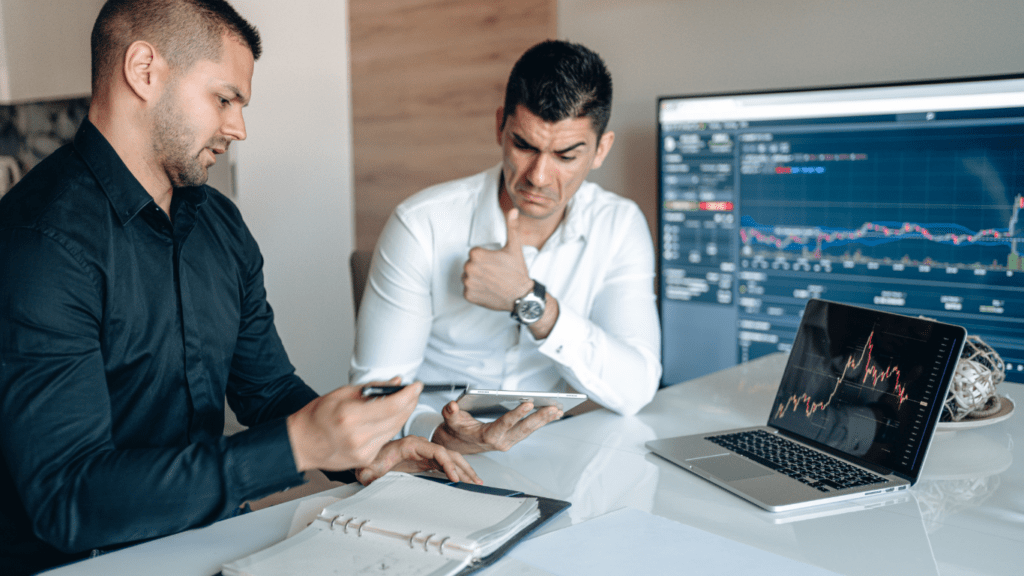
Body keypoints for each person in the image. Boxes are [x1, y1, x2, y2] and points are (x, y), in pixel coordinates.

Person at [0, 1, 475, 574]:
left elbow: (267, 390)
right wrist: (298, 446)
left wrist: (366, 455)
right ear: (143, 71)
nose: (238, 128)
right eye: (224, 99)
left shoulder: (220, 227)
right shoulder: (40, 242)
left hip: (213, 541)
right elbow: (68, 500)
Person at [351, 40, 662, 454]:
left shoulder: (619, 226)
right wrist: (438, 433)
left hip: (551, 455)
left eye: (566, 155)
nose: (538, 177)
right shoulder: (422, 224)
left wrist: (531, 302)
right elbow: (373, 393)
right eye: (524, 146)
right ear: (501, 126)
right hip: (432, 453)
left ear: (601, 149)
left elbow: (636, 387)